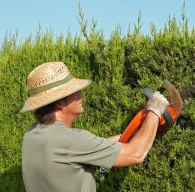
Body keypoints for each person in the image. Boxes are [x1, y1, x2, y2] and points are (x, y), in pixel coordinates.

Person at [21, 61, 169, 192]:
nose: (81, 94)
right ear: (59, 102)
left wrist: (130, 135)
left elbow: (77, 150)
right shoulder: (71, 140)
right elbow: (136, 155)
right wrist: (154, 110)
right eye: (74, 91)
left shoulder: (32, 134)